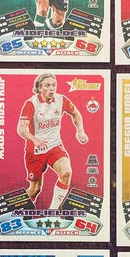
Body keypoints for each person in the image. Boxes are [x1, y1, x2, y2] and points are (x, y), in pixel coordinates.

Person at [17, 73, 88, 209]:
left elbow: (76, 113)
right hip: (36, 150)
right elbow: (21, 129)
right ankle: (16, 210)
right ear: (39, 88)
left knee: (66, 172)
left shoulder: (61, 100)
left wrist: (80, 131)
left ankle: (53, 210)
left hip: (54, 146)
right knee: (35, 189)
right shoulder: (31, 104)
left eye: (53, 85)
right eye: (47, 85)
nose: (51, 88)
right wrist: (34, 139)